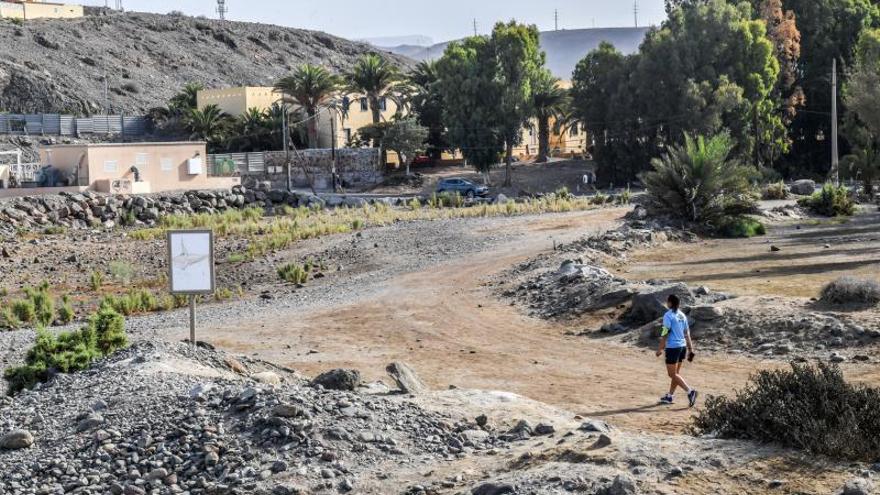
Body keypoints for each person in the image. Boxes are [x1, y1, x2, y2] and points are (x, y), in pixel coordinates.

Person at [656, 294, 698, 407]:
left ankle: (690, 391)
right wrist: (691, 349)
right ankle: (670, 396)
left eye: (667, 302)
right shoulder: (682, 315)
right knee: (676, 374)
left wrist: (660, 348)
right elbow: (687, 333)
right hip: (682, 347)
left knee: (672, 374)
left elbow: (665, 333)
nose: (666, 303)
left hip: (673, 348)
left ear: (670, 303)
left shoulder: (668, 315)